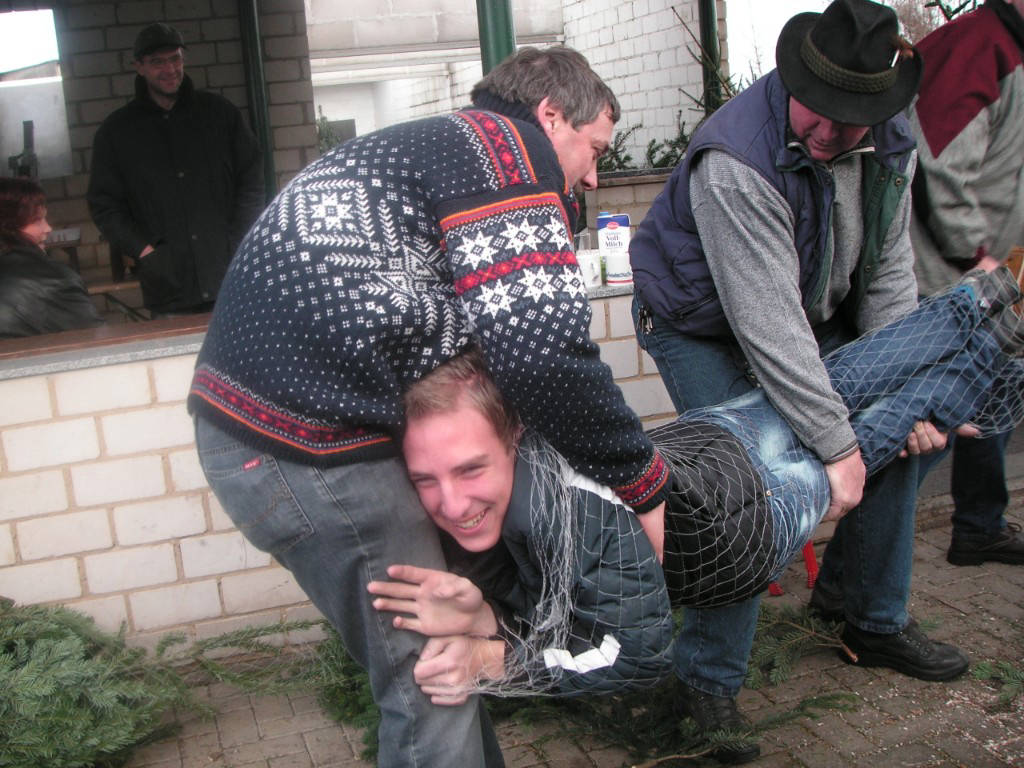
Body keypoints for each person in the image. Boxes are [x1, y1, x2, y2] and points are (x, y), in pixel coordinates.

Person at [188, 46, 670, 767]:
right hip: (303, 450)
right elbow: (544, 353)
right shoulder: (506, 155)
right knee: (434, 678)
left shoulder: (434, 152)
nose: (595, 175)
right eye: (594, 149)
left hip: (261, 438)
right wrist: (643, 483)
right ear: (549, 117)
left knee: (450, 656)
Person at [368, 269, 1024, 704]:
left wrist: (492, 659)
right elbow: (542, 585)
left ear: (507, 437)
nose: (450, 503)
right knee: (839, 384)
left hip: (747, 516)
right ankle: (980, 304)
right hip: (714, 439)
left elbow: (634, 653)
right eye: (426, 478)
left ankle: (994, 359)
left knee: (877, 434)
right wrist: (484, 612)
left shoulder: (566, 515)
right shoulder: (543, 427)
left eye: (469, 470)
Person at [628, 0, 969, 762]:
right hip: (704, 322)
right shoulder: (735, 160)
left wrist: (898, 386)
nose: (824, 131)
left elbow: (885, 271)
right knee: (740, 487)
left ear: (877, 109)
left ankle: (866, 618)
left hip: (809, 308)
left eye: (847, 121)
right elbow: (768, 329)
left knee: (899, 438)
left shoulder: (893, 144)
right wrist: (835, 443)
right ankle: (705, 684)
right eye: (816, 112)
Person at [908, 0, 1024, 567]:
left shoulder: (1013, 49)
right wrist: (977, 259)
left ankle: (979, 525)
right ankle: (851, 577)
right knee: (929, 428)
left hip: (999, 272)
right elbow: (938, 166)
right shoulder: (981, 45)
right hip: (954, 274)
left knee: (995, 398)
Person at [87, 22, 263, 317]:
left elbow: (252, 182)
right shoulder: (117, 132)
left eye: (175, 58)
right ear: (139, 67)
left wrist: (239, 242)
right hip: (169, 286)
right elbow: (104, 206)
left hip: (229, 276)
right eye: (158, 62)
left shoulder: (220, 114)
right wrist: (145, 252)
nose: (170, 69)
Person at [0, 177, 101, 338]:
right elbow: (98, 345)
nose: (48, 228)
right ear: (9, 225)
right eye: (37, 220)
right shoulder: (52, 282)